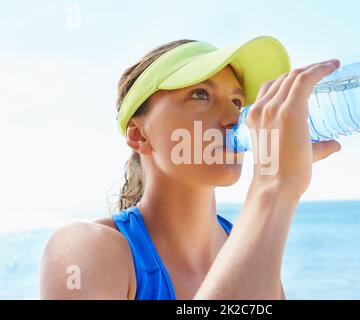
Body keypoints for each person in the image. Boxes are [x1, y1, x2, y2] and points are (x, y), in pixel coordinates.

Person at [40, 36, 341, 300]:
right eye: (200, 94)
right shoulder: (87, 249)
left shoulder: (249, 246)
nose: (233, 117)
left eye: (237, 102)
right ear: (139, 134)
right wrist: (274, 188)